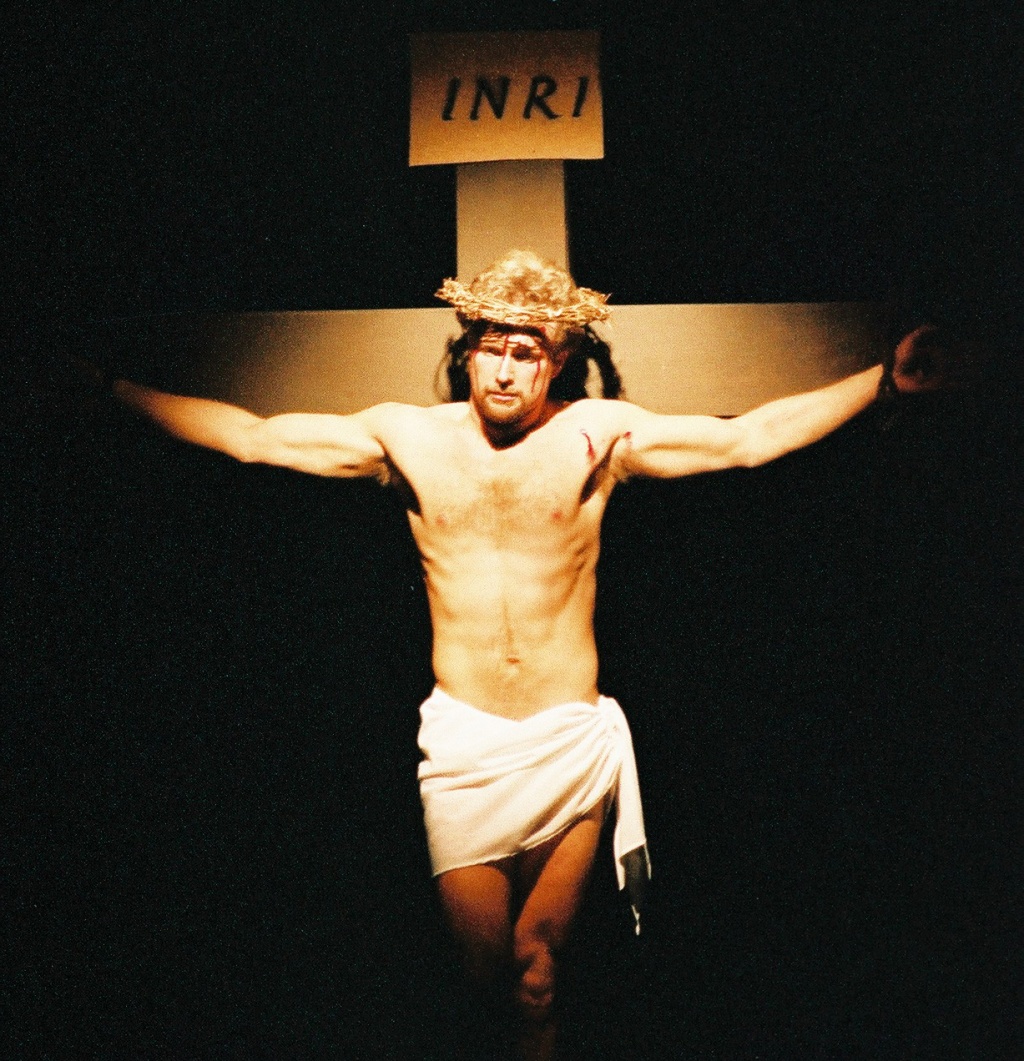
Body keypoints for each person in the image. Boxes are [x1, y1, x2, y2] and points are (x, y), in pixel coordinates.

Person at [105, 250, 917, 1060]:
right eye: (489, 347)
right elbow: (252, 438)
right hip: (465, 744)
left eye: (524, 352)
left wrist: (883, 380)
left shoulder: (597, 436)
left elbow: (748, 439)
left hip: (567, 738)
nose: (502, 369)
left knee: (537, 972)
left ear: (557, 360)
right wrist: (108, 391)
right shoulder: (408, 437)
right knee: (479, 970)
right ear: (466, 351)